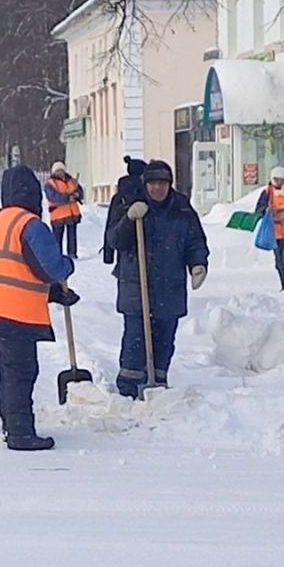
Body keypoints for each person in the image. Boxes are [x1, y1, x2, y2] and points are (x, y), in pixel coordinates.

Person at [0, 164, 79, 451]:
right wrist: (68, 265)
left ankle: (11, 425)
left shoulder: (1, 222)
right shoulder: (30, 224)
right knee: (21, 371)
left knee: (9, 371)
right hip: (11, 315)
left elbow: (19, 269)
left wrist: (53, 294)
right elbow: (51, 266)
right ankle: (20, 433)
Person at [105, 159, 209, 399]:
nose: (157, 189)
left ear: (169, 185)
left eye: (162, 184)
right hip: (137, 284)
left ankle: (158, 385)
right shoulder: (132, 204)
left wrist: (198, 264)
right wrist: (129, 220)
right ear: (145, 184)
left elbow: (195, 241)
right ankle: (129, 390)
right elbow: (115, 241)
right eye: (152, 183)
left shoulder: (181, 209)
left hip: (170, 285)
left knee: (164, 339)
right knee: (136, 338)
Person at [103, 155, 147, 264]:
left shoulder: (119, 195)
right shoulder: (145, 191)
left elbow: (110, 222)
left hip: (122, 239)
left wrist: (108, 253)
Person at [44, 161, 83, 259]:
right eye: (57, 171)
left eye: (61, 170)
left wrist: (77, 195)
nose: (60, 173)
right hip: (58, 214)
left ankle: (72, 253)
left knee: (72, 236)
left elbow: (79, 190)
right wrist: (67, 198)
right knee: (57, 237)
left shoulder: (71, 181)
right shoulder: (50, 184)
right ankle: (57, 255)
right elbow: (52, 196)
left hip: (72, 213)